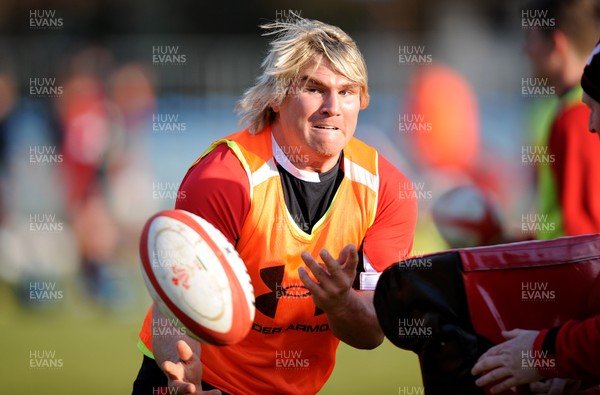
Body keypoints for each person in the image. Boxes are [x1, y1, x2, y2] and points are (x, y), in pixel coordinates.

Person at [132, 16, 417, 395]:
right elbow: (173, 297)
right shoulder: (227, 177)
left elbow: (370, 334)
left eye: (347, 92)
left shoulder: (388, 190)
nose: (333, 107)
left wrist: (340, 302)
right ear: (278, 96)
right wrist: (182, 377)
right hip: (204, 380)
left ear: (363, 100)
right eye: (314, 88)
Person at [470, 40, 600, 394]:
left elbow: (584, 244)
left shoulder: (570, 119)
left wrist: (542, 351)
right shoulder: (555, 110)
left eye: (596, 109)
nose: (591, 126)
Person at [523, 0, 600, 239]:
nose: (525, 50)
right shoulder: (568, 110)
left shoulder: (576, 118)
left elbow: (586, 236)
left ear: (556, 44)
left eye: (530, 38)